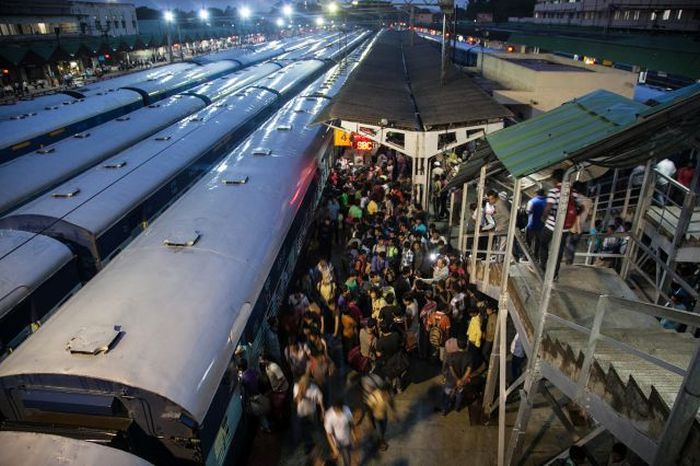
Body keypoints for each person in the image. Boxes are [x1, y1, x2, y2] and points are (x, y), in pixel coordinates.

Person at [541, 169, 581, 280]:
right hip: (565, 228)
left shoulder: (554, 191)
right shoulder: (573, 192)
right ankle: (554, 274)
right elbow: (579, 208)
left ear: (555, 179)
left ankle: (543, 267)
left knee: (543, 244)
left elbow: (548, 207)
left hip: (551, 226)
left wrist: (544, 217)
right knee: (559, 250)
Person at [361, 374, 394, 451]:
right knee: (379, 432)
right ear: (381, 391)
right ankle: (381, 443)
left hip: (384, 416)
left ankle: (379, 439)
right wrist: (370, 421)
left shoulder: (387, 395)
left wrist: (394, 412)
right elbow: (369, 409)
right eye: (385, 392)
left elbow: (390, 402)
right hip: (376, 417)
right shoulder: (374, 396)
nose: (386, 394)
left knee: (383, 430)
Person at [293, 375, 325, 454]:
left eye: (306, 384)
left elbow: (320, 399)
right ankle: (308, 445)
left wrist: (323, 410)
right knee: (304, 430)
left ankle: (318, 444)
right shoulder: (296, 387)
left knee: (314, 428)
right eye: (303, 384)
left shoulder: (314, 388)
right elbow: (295, 400)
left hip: (312, 412)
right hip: (301, 413)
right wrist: (300, 392)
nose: (305, 385)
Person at [441, 338, 473, 415]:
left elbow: (451, 368)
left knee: (447, 394)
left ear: (457, 345)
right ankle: (457, 408)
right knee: (459, 394)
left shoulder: (452, 355)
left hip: (450, 380)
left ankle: (445, 410)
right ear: (466, 345)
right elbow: (469, 369)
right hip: (463, 381)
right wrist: (462, 380)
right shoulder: (469, 356)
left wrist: (457, 379)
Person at [324, 399, 355, 466]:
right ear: (334, 408)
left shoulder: (346, 411)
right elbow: (328, 434)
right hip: (336, 442)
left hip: (346, 440)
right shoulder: (329, 416)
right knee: (334, 460)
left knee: (347, 459)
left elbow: (351, 423)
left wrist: (353, 434)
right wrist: (334, 448)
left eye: (340, 409)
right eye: (337, 410)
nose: (339, 412)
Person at [526, 189, 547, 262]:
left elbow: (528, 211)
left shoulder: (532, 201)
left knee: (528, 241)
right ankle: (536, 257)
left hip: (532, 224)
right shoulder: (547, 201)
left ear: (536, 193)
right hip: (542, 225)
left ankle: (526, 256)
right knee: (539, 242)